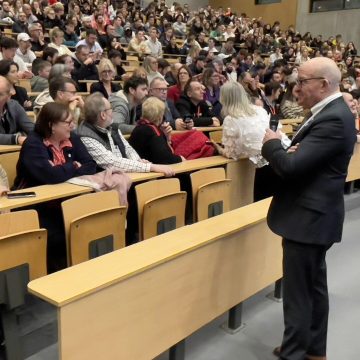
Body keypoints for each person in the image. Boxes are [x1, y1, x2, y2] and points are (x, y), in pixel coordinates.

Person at [261, 57, 357, 360]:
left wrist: (273, 144)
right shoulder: (329, 112)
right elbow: (299, 158)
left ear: (323, 84)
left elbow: (290, 166)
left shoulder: (332, 117)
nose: (296, 87)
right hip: (314, 217)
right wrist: (292, 153)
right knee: (313, 287)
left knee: (298, 294)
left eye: (302, 81)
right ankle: (314, 350)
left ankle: (293, 353)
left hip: (308, 219)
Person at [77, 92, 175, 176]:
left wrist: (139, 161)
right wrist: (150, 167)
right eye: (111, 108)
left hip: (126, 175)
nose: (113, 112)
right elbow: (111, 162)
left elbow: (129, 150)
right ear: (103, 115)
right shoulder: (86, 136)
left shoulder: (112, 127)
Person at [129, 96, 183, 164]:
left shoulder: (139, 126)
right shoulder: (152, 130)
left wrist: (167, 138)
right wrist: (180, 159)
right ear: (160, 115)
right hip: (154, 170)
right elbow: (166, 158)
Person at [0, 76, 34, 145]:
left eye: (0, 94)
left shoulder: (14, 106)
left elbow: (30, 128)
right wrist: (17, 138)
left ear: (8, 96)